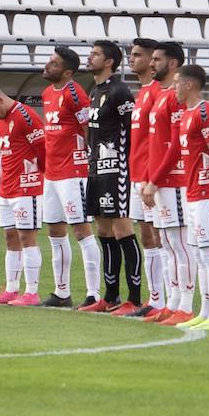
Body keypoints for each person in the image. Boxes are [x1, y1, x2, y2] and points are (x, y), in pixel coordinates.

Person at [158, 65, 209, 332]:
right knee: (199, 253)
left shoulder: (205, 113)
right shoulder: (186, 115)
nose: (173, 88)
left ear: (189, 85)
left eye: (176, 83)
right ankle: (205, 312)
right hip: (192, 193)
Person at [38, 47, 103, 308]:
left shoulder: (75, 93)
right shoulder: (46, 93)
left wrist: (89, 160)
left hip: (72, 172)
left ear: (67, 71)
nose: (47, 65)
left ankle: (93, 294)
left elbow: (89, 129)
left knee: (81, 230)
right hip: (52, 173)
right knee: (55, 230)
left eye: (53, 63)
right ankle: (61, 292)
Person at [79, 40, 138, 315]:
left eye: (95, 54)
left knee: (123, 230)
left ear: (110, 61)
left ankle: (134, 299)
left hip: (116, 169)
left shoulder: (120, 92)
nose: (89, 57)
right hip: (95, 168)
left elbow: (132, 132)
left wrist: (130, 165)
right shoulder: (96, 91)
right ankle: (111, 296)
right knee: (103, 232)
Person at [141, 42, 197, 325]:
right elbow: (156, 144)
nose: (152, 64)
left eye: (157, 59)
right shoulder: (161, 95)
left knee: (180, 243)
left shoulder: (175, 98)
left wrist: (155, 179)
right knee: (166, 243)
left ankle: (185, 306)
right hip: (160, 181)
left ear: (173, 64)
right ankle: (171, 303)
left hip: (174, 180)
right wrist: (148, 178)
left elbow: (176, 145)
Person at [0, 86, 46, 307]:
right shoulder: (1, 121)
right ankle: (11, 289)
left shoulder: (25, 115)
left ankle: (32, 292)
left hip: (27, 187)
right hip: (7, 188)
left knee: (27, 237)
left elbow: (43, 150)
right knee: (11, 238)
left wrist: (38, 178)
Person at [124, 38, 166, 319]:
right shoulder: (141, 93)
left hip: (152, 177)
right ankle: (154, 299)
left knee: (161, 237)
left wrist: (152, 177)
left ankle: (165, 300)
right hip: (137, 174)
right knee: (147, 235)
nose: (132, 59)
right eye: (131, 54)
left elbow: (162, 141)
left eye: (138, 55)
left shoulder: (158, 93)